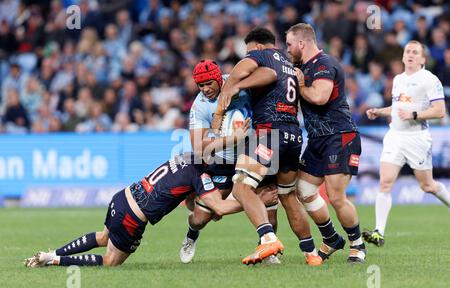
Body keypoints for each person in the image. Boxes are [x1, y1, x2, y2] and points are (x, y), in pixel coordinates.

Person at [23, 151, 277, 268]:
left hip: (122, 197)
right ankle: (54, 259)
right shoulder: (200, 174)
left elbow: (187, 199)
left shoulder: (185, 157)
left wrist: (202, 202)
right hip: (134, 217)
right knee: (111, 261)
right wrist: (254, 202)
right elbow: (219, 207)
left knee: (103, 237)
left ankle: (53, 251)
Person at [213, 27, 322, 266]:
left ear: (259, 47)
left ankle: (268, 238)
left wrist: (232, 86)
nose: (247, 57)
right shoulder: (288, 61)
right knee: (287, 196)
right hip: (294, 135)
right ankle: (311, 253)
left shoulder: (263, 56)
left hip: (269, 133)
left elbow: (247, 73)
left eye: (249, 52)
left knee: (241, 188)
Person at [179, 59, 280, 264]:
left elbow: (270, 74)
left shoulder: (236, 82)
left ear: (219, 78)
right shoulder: (200, 106)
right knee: (200, 218)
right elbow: (198, 147)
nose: (205, 89)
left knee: (271, 209)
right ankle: (191, 235)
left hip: (253, 152)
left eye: (209, 83)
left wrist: (239, 85)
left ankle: (268, 248)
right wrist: (230, 139)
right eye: (201, 85)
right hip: (223, 160)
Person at [285, 23, 366, 263]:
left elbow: (319, 97)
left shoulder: (324, 64)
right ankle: (331, 238)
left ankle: (358, 244)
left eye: (290, 44)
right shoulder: (302, 67)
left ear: (302, 43)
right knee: (304, 190)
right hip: (318, 139)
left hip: (340, 136)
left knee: (336, 196)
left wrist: (300, 85)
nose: (288, 49)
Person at [363, 40, 450, 247]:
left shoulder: (429, 79)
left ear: (422, 59)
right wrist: (379, 111)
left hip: (417, 138)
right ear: (403, 57)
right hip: (395, 136)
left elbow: (440, 111)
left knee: (427, 185)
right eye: (407, 51)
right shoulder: (398, 79)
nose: (410, 55)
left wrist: (414, 114)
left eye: (415, 52)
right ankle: (379, 232)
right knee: (385, 182)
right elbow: (397, 108)